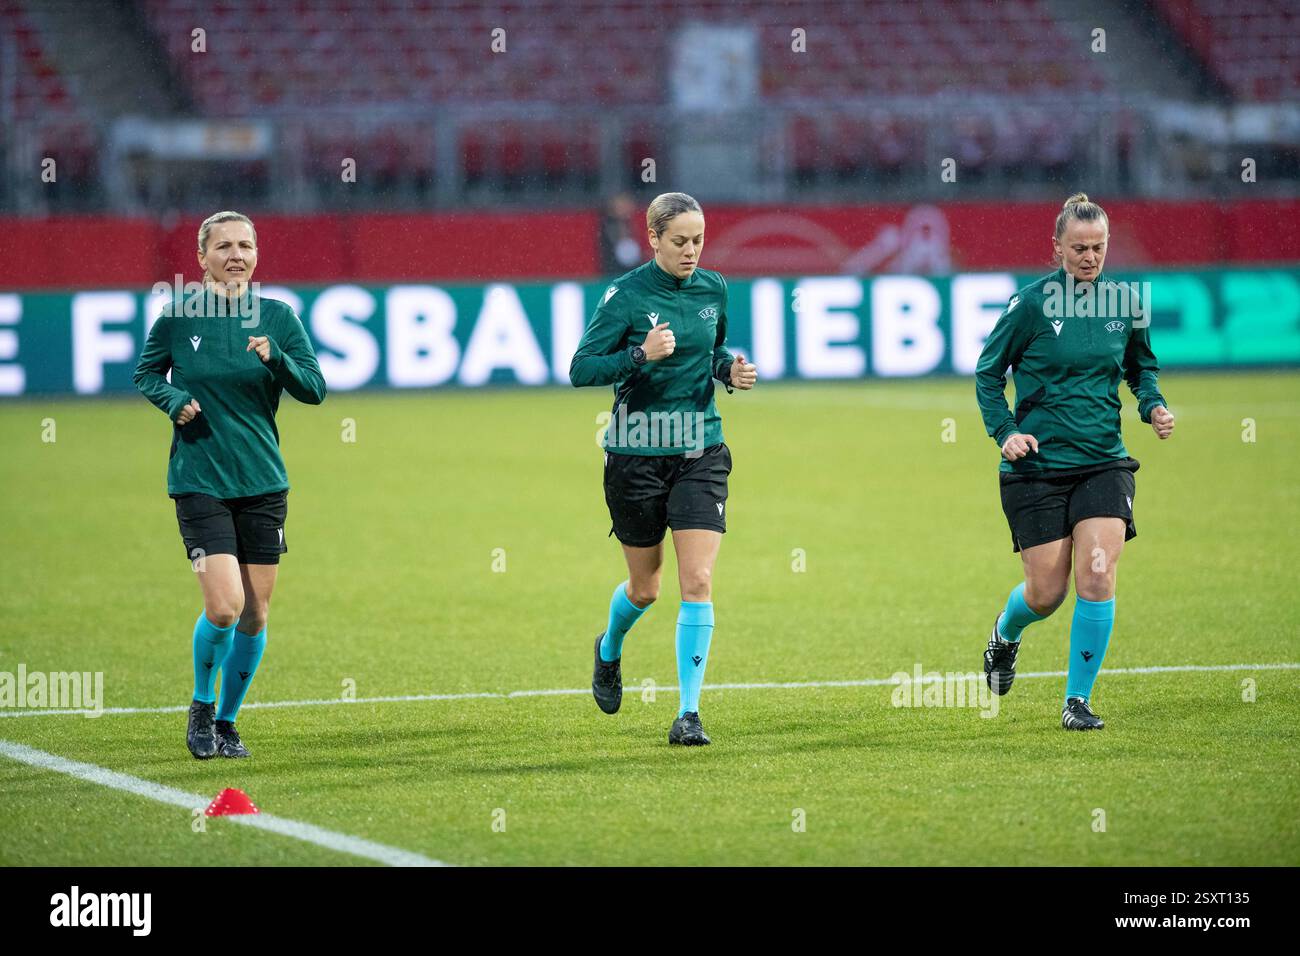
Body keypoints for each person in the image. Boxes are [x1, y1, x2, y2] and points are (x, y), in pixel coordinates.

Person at [974, 193, 1175, 730]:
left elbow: (1142, 366)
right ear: (1057, 247)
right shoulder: (1032, 304)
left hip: (1103, 462)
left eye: (1099, 247)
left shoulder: (1125, 303)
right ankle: (1006, 633)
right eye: (1079, 247)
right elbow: (989, 374)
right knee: (1046, 594)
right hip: (1037, 468)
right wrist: (1006, 433)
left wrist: (1152, 403)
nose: (1090, 257)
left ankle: (1077, 701)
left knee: (1097, 574)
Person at [133, 210, 326, 758]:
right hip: (199, 479)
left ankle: (227, 721)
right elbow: (146, 373)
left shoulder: (278, 317)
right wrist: (173, 401)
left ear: (256, 254)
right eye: (223, 247)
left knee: (256, 613)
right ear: (201, 258)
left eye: (245, 245)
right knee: (224, 607)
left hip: (263, 482)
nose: (236, 255)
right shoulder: (177, 318)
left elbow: (314, 389)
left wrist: (277, 357)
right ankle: (200, 704)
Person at [570, 191, 757, 746]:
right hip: (635, 456)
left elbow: (712, 353)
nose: (691, 251)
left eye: (698, 240)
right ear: (653, 239)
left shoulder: (714, 289)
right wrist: (638, 355)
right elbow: (581, 369)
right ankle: (609, 649)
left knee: (696, 580)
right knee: (646, 588)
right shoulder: (625, 297)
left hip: (701, 450)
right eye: (679, 241)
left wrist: (731, 371)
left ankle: (689, 714)